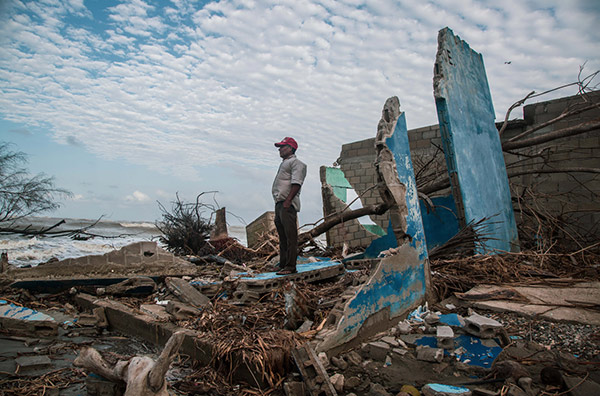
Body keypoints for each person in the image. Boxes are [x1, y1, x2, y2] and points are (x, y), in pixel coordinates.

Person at [272, 137, 307, 275]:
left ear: (291, 148)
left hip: (288, 204)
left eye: (282, 146)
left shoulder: (297, 163)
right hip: (280, 203)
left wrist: (288, 201)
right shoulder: (285, 163)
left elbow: (297, 183)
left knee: (291, 237)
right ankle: (283, 264)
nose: (280, 149)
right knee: (283, 237)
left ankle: (291, 266)